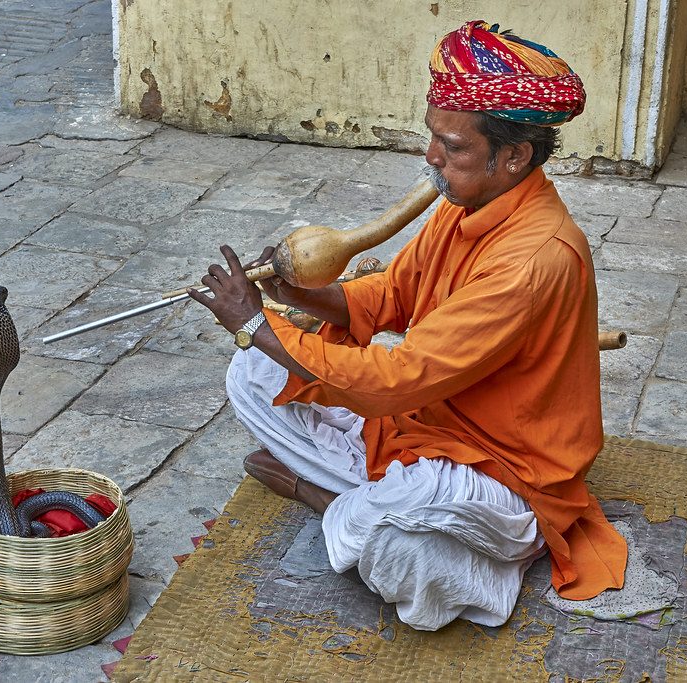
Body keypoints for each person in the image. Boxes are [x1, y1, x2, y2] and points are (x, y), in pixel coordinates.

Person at [186, 20, 627, 631]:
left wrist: (255, 322)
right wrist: (297, 292)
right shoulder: (467, 205)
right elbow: (391, 294)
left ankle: (326, 499)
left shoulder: (532, 260)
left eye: (454, 146)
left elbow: (398, 378)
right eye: (433, 137)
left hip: (505, 472)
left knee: (402, 557)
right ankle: (372, 508)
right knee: (253, 373)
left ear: (515, 156)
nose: (432, 157)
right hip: (426, 430)